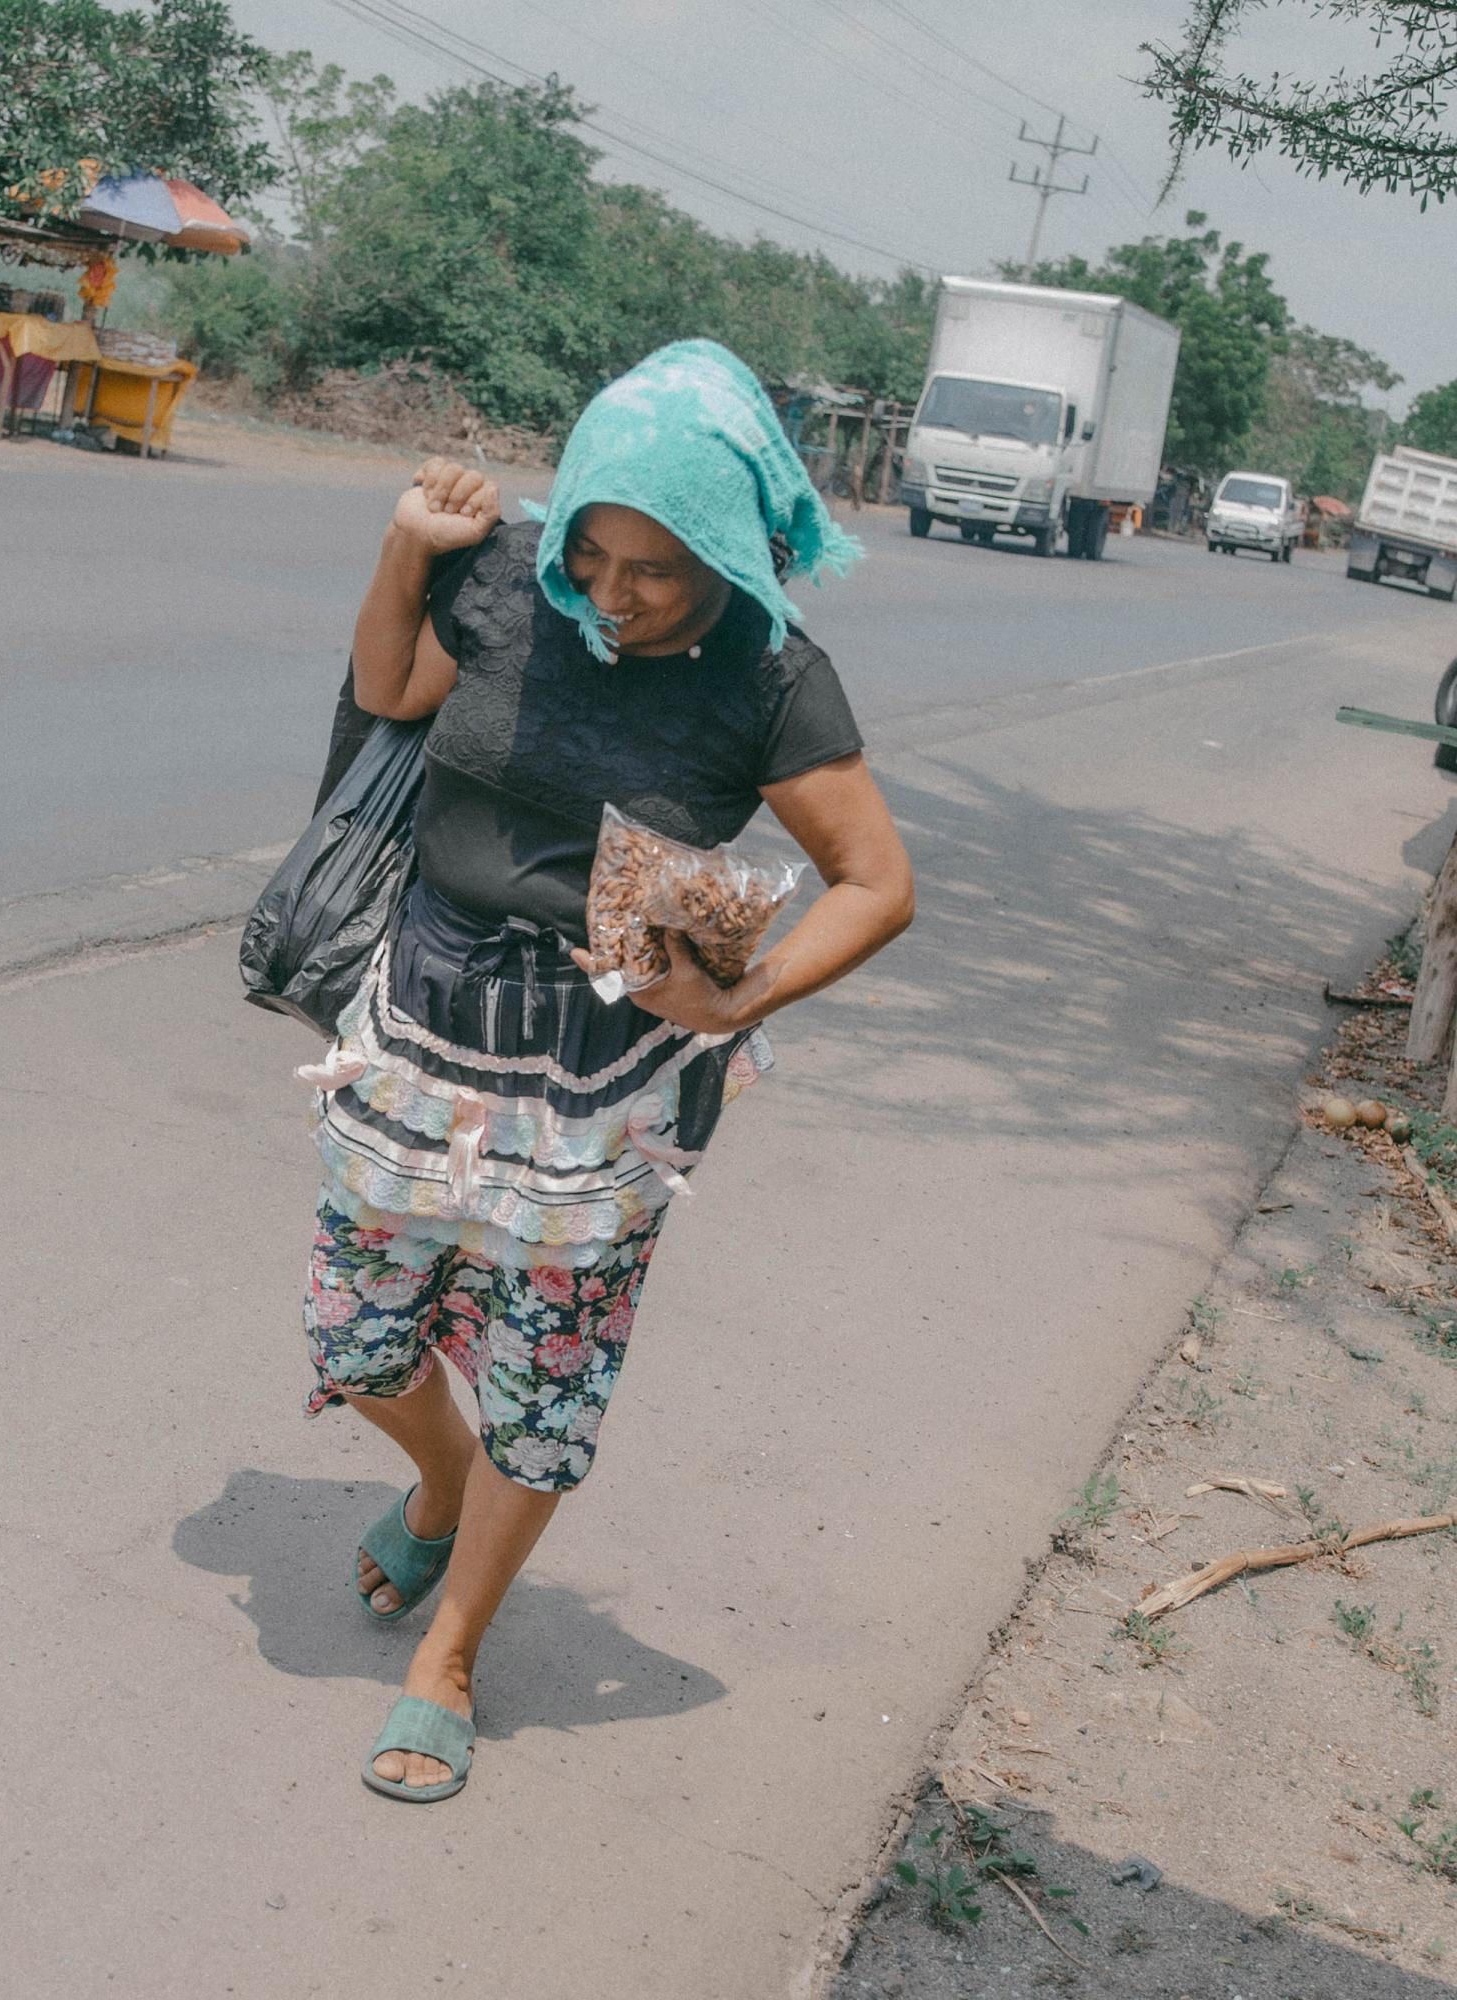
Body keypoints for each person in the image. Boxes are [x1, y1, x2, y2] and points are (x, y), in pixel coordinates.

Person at [300, 339, 917, 1804]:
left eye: (659, 568)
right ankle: (439, 1486)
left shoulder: (768, 676)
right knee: (355, 1340)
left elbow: (874, 883)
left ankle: (447, 1656)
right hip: (421, 1036)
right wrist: (406, 548)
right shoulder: (511, 587)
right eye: (596, 550)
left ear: (728, 555)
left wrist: (741, 996)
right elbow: (390, 687)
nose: (617, 592)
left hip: (607, 1090)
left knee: (547, 1388)